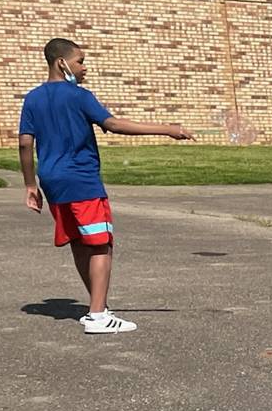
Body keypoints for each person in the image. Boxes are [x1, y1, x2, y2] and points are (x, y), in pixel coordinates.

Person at [17, 37, 192, 335]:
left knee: (79, 241)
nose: (84, 68)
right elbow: (113, 124)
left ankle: (98, 307)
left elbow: (24, 143)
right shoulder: (79, 95)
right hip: (82, 181)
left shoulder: (32, 98)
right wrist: (167, 128)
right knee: (100, 245)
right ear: (62, 63)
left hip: (53, 181)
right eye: (80, 61)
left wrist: (30, 185)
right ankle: (97, 315)